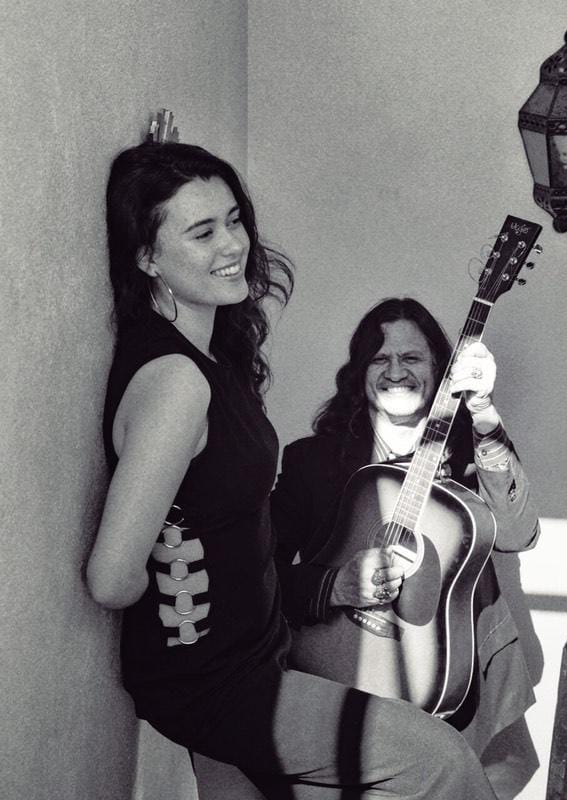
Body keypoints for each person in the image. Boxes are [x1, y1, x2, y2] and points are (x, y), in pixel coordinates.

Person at [86, 142, 501, 800]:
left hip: (249, 655)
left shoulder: (209, 357)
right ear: (147, 258)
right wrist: (184, 593)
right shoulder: (176, 383)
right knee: (443, 762)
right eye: (202, 232)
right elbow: (112, 578)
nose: (234, 244)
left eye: (234, 219)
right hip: (217, 681)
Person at [271, 297, 543, 800]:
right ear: (360, 373)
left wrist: (483, 411)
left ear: (439, 370)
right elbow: (255, 572)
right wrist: (332, 586)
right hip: (337, 671)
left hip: (445, 676)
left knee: (477, 776)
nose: (396, 371)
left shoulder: (473, 455)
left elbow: (516, 533)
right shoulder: (312, 462)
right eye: (381, 358)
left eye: (412, 358)